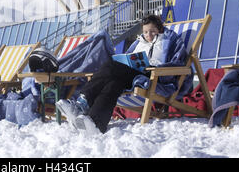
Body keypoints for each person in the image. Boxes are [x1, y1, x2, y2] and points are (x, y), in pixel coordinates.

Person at [56, 14, 188, 134]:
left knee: (110, 65)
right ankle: (96, 122)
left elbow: (178, 61)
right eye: (146, 32)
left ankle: (83, 102)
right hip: (132, 75)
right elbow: (127, 57)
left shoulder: (169, 40)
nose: (149, 35)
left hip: (153, 76)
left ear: (159, 29)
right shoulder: (139, 42)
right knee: (114, 84)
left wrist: (156, 67)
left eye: (153, 31)